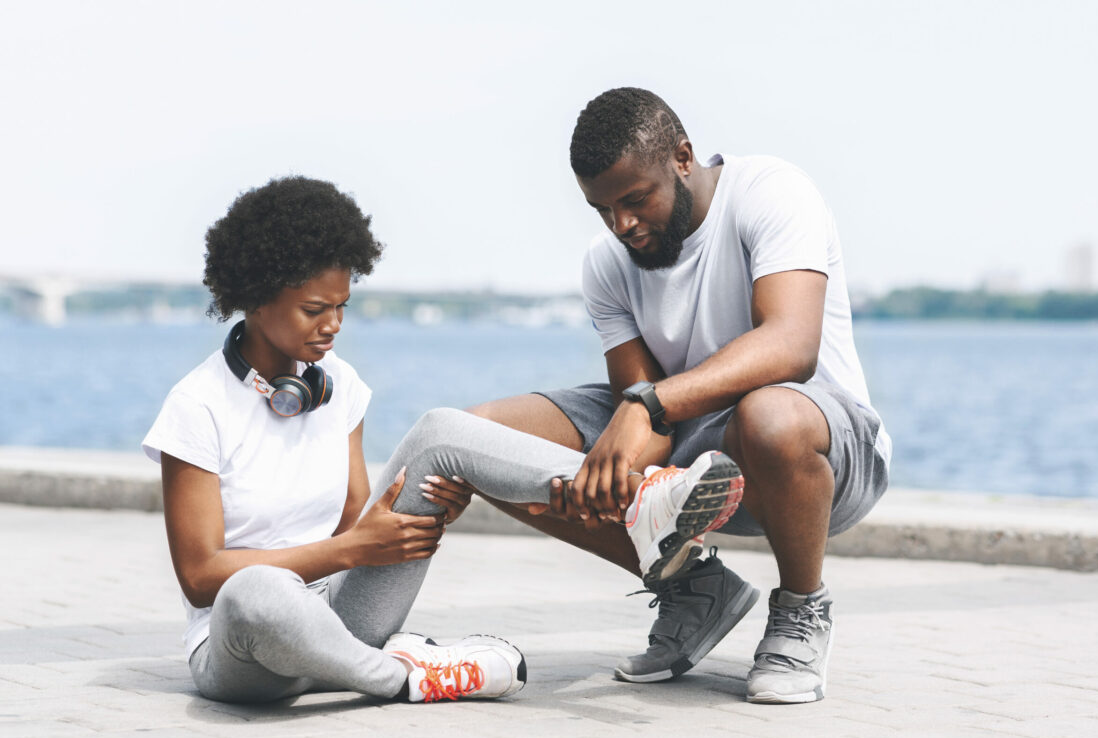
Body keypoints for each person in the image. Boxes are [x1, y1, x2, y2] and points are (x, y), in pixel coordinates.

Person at [469, 88, 891, 704]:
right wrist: (606, 474)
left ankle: (802, 606)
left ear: (683, 157)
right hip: (693, 450)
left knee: (767, 413)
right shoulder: (607, 263)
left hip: (820, 452)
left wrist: (648, 406)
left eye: (635, 200)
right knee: (484, 441)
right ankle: (694, 587)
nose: (623, 226)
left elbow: (792, 346)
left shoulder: (771, 191)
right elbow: (639, 397)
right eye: (603, 209)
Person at [142, 176, 534, 704]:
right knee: (256, 589)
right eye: (314, 309)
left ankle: (643, 498)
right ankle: (404, 677)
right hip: (244, 646)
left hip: (341, 614)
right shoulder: (196, 405)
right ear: (257, 299)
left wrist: (418, 513)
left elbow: (357, 523)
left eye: (342, 307)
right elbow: (200, 576)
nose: (334, 325)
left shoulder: (339, 384)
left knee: (441, 431)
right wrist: (350, 549)